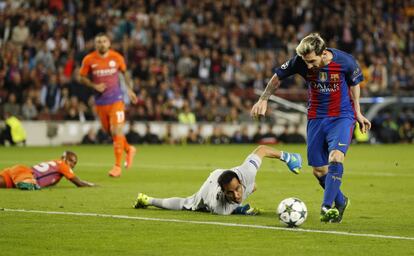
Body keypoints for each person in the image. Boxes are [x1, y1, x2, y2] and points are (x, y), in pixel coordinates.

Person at [251, 33, 371, 223]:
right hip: (316, 117)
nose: (308, 66)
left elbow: (355, 83)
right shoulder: (300, 61)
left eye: (312, 61)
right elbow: (277, 77)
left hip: (342, 116)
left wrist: (357, 112)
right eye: (306, 61)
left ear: (323, 53)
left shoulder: (346, 61)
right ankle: (341, 201)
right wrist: (263, 99)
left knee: (336, 157)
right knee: (319, 171)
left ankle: (326, 207)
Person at [133, 145, 302, 215]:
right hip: (213, 182)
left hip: (227, 174)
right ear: (224, 193)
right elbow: (230, 206)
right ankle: (147, 200)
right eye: (231, 193)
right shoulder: (218, 206)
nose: (236, 195)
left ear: (240, 182)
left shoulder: (247, 172)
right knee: (189, 203)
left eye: (238, 189)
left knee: (254, 186)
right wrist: (241, 210)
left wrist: (286, 157)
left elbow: (262, 149)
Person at [79, 33, 138, 177]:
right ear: (95, 44)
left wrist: (129, 89)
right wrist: (94, 85)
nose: (101, 44)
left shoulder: (117, 57)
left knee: (116, 130)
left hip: (117, 100)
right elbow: (82, 77)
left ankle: (117, 167)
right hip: (100, 102)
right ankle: (129, 149)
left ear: (109, 43)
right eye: (98, 41)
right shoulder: (89, 59)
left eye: (104, 41)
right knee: (111, 133)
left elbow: (125, 74)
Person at [0, 151, 95, 190]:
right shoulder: (63, 165)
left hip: (19, 171)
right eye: (71, 161)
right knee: (29, 186)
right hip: (26, 175)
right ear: (64, 158)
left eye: (75, 163)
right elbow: (78, 183)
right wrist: (92, 185)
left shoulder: (55, 162)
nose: (73, 165)